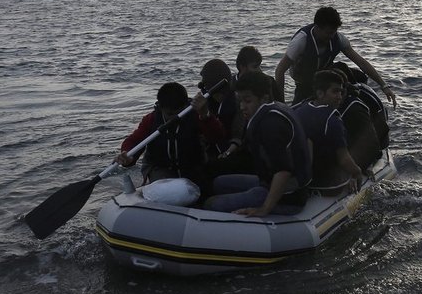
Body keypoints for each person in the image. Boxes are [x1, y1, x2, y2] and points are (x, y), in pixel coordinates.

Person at [203, 70, 312, 217]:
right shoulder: (277, 107)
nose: (242, 107)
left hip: (287, 197)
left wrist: (264, 209)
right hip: (268, 182)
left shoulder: (270, 125)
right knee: (218, 183)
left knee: (211, 205)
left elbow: (283, 171)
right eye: (239, 100)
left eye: (247, 101)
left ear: (264, 98)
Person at [274, 6, 398, 107]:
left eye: (334, 32)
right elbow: (280, 71)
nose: (331, 36)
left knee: (354, 74)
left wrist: (384, 86)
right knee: (299, 108)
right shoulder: (301, 41)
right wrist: (281, 103)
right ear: (317, 27)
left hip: (324, 73)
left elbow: (361, 62)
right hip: (305, 81)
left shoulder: (338, 38)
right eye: (328, 32)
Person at [116, 82, 226, 184]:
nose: (175, 118)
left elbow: (217, 137)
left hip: (193, 168)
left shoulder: (197, 115)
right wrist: (128, 156)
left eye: (179, 113)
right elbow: (134, 141)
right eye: (170, 114)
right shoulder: (151, 120)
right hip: (160, 169)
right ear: (161, 107)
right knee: (170, 187)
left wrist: (205, 116)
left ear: (185, 106)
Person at [292, 70, 366, 194]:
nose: (340, 96)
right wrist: (358, 172)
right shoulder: (332, 121)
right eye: (335, 91)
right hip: (329, 186)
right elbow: (343, 159)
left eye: (341, 92)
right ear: (320, 93)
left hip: (304, 180)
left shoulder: (300, 110)